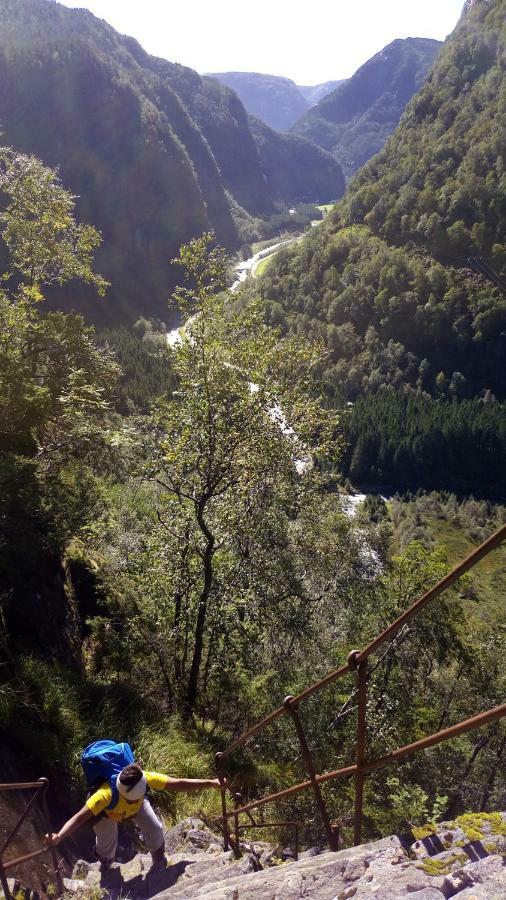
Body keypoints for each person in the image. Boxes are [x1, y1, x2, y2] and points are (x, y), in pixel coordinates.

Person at [44, 762, 223, 868]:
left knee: (155, 830)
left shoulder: (144, 777)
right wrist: (58, 836)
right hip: (107, 815)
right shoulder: (104, 795)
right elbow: (80, 817)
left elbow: (177, 783)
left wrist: (211, 782)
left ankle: (158, 861)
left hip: (133, 811)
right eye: (133, 798)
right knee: (107, 851)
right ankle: (105, 864)